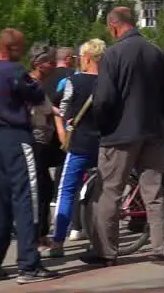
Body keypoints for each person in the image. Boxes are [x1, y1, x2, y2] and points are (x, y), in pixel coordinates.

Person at [88, 7, 164, 267]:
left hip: (119, 134)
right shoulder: (155, 52)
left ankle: (106, 251)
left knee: (109, 193)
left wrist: (103, 126)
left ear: (114, 26)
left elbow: (103, 98)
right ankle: (160, 250)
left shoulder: (112, 54)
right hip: (151, 131)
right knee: (154, 192)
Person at [0, 29, 58, 283]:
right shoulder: (14, 71)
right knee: (27, 199)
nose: (23, 53)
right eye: (21, 48)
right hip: (16, 137)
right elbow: (36, 96)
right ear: (11, 49)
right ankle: (29, 265)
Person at [48, 39, 104, 258]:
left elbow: (63, 109)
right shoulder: (109, 82)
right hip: (104, 144)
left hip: (80, 143)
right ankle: (102, 239)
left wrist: (65, 125)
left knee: (66, 191)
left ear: (87, 57)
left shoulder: (73, 81)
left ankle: (58, 241)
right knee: (105, 192)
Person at [27, 47, 60, 247]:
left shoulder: (39, 84)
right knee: (40, 188)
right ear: (39, 64)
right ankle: (37, 235)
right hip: (35, 141)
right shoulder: (31, 85)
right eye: (50, 62)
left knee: (45, 188)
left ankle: (40, 232)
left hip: (42, 140)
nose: (53, 66)